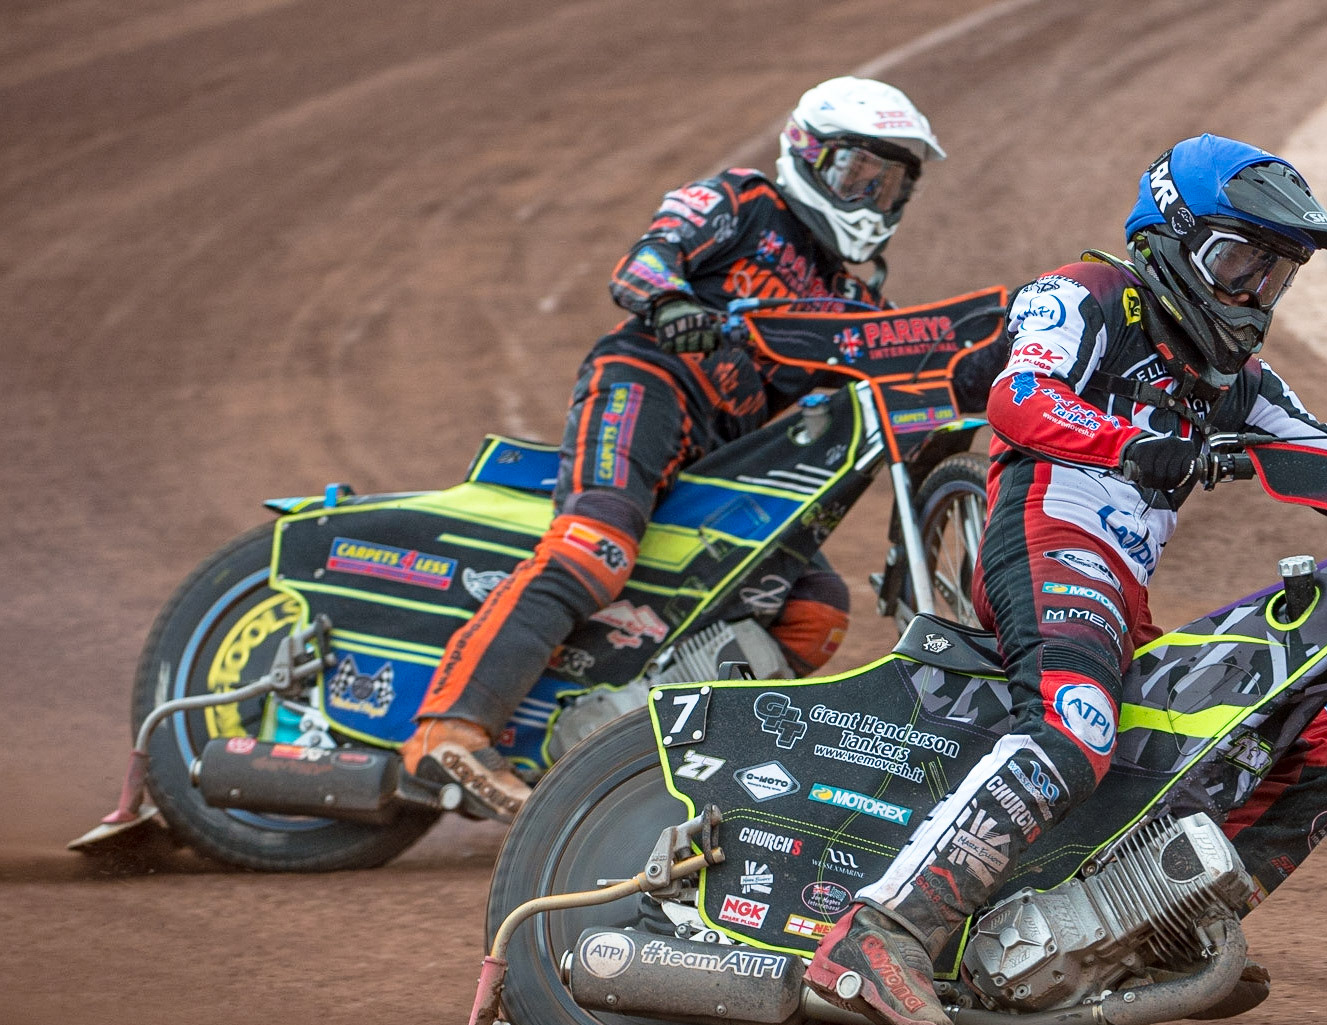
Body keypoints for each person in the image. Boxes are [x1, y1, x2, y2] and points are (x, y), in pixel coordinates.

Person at [803, 133, 1327, 1025]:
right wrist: (1131, 445)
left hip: (1120, 593)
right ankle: (880, 931)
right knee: (1077, 726)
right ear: (1171, 238)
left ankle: (1147, 930)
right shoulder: (1086, 296)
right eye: (1239, 262)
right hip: (1046, 539)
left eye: (1275, 275)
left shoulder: (1234, 379)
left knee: (1326, 753)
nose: (1254, 293)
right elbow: (1020, 399)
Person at [403, 77, 945, 820]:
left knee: (817, 609)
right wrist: (673, 302)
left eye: (888, 187)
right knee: (596, 543)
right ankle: (450, 729)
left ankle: (639, 758)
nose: (871, 198)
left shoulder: (855, 301)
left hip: (729, 455)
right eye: (858, 174)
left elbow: (896, 378)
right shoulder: (741, 200)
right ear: (809, 156)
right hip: (649, 383)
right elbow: (644, 262)